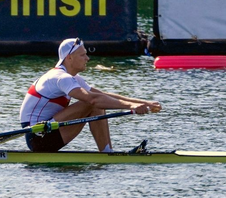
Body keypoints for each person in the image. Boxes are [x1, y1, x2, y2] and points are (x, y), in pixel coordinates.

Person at [19, 38, 162, 153]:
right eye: (83, 55)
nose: (87, 58)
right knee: (92, 102)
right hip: (37, 135)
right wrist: (132, 107)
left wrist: (144, 103)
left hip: (50, 131)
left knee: (97, 101)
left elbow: (102, 95)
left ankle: (107, 153)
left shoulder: (72, 77)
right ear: (69, 58)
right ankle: (107, 153)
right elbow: (93, 99)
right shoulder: (60, 77)